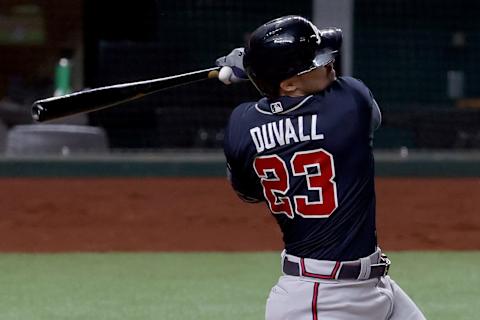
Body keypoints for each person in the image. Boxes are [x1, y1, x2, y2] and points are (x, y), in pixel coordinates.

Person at [216, 15, 426, 320]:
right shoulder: (349, 104)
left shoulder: (241, 124)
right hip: (323, 300)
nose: (328, 63)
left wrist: (255, 72)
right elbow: (372, 116)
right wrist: (250, 68)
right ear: (288, 84)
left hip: (372, 284)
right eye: (314, 63)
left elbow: (248, 192)